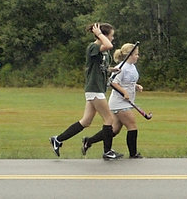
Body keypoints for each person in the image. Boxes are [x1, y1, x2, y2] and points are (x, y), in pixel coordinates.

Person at [50, 23, 123, 160]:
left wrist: (111, 70)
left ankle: (57, 139)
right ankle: (107, 152)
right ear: (104, 35)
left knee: (86, 121)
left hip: (98, 88)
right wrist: (100, 34)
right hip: (94, 88)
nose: (113, 38)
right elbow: (108, 45)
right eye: (111, 35)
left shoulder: (103, 52)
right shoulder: (93, 47)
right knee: (109, 119)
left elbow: (101, 67)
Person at [82, 43, 143, 158]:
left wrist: (136, 86)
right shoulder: (122, 67)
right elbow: (112, 82)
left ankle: (89, 141)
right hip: (119, 102)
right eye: (136, 54)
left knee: (114, 130)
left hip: (124, 102)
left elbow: (127, 82)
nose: (137, 56)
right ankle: (133, 154)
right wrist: (124, 92)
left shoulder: (132, 67)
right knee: (132, 126)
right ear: (129, 55)